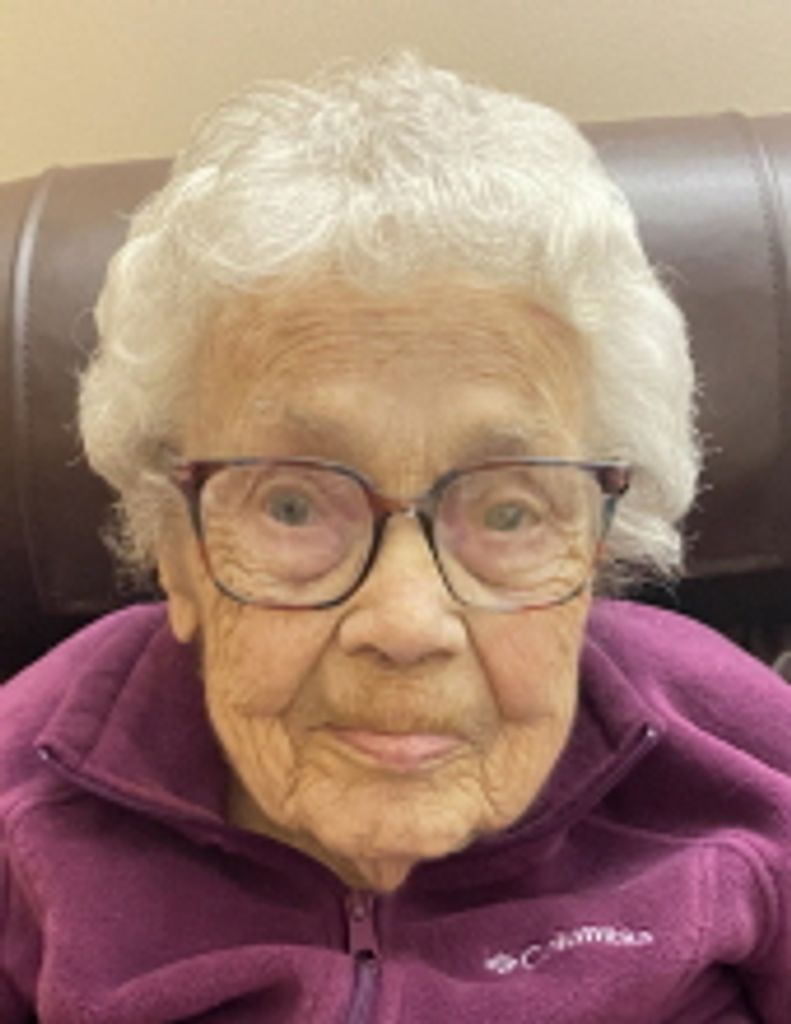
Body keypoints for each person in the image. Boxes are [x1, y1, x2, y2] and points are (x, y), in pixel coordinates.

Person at [1, 53, 789, 1024]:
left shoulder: (742, 756)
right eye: (292, 505)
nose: (407, 623)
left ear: (595, 553)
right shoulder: (23, 810)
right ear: (176, 549)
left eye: (508, 511)